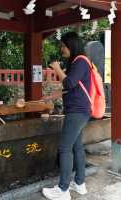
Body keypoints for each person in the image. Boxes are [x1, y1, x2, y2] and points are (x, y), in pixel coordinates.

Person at [42, 32, 91, 200]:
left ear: (72, 45)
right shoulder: (80, 62)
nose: (61, 49)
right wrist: (51, 96)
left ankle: (63, 190)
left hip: (77, 111)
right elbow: (71, 87)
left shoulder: (81, 61)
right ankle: (80, 184)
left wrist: (56, 69)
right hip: (80, 110)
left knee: (64, 148)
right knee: (76, 147)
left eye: (63, 46)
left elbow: (69, 82)